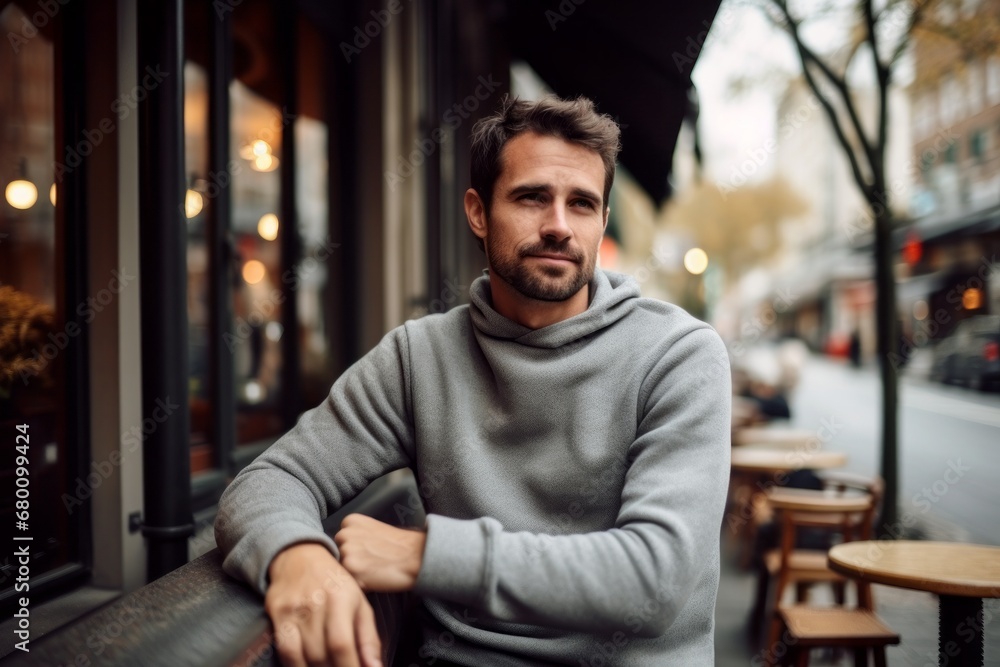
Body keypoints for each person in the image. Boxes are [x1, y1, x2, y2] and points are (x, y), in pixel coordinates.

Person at [215, 95, 731, 667]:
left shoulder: (679, 355)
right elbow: (269, 480)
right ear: (478, 212)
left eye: (581, 204)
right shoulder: (421, 357)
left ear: (603, 221)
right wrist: (296, 556)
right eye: (532, 197)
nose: (559, 226)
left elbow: (655, 580)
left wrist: (425, 556)